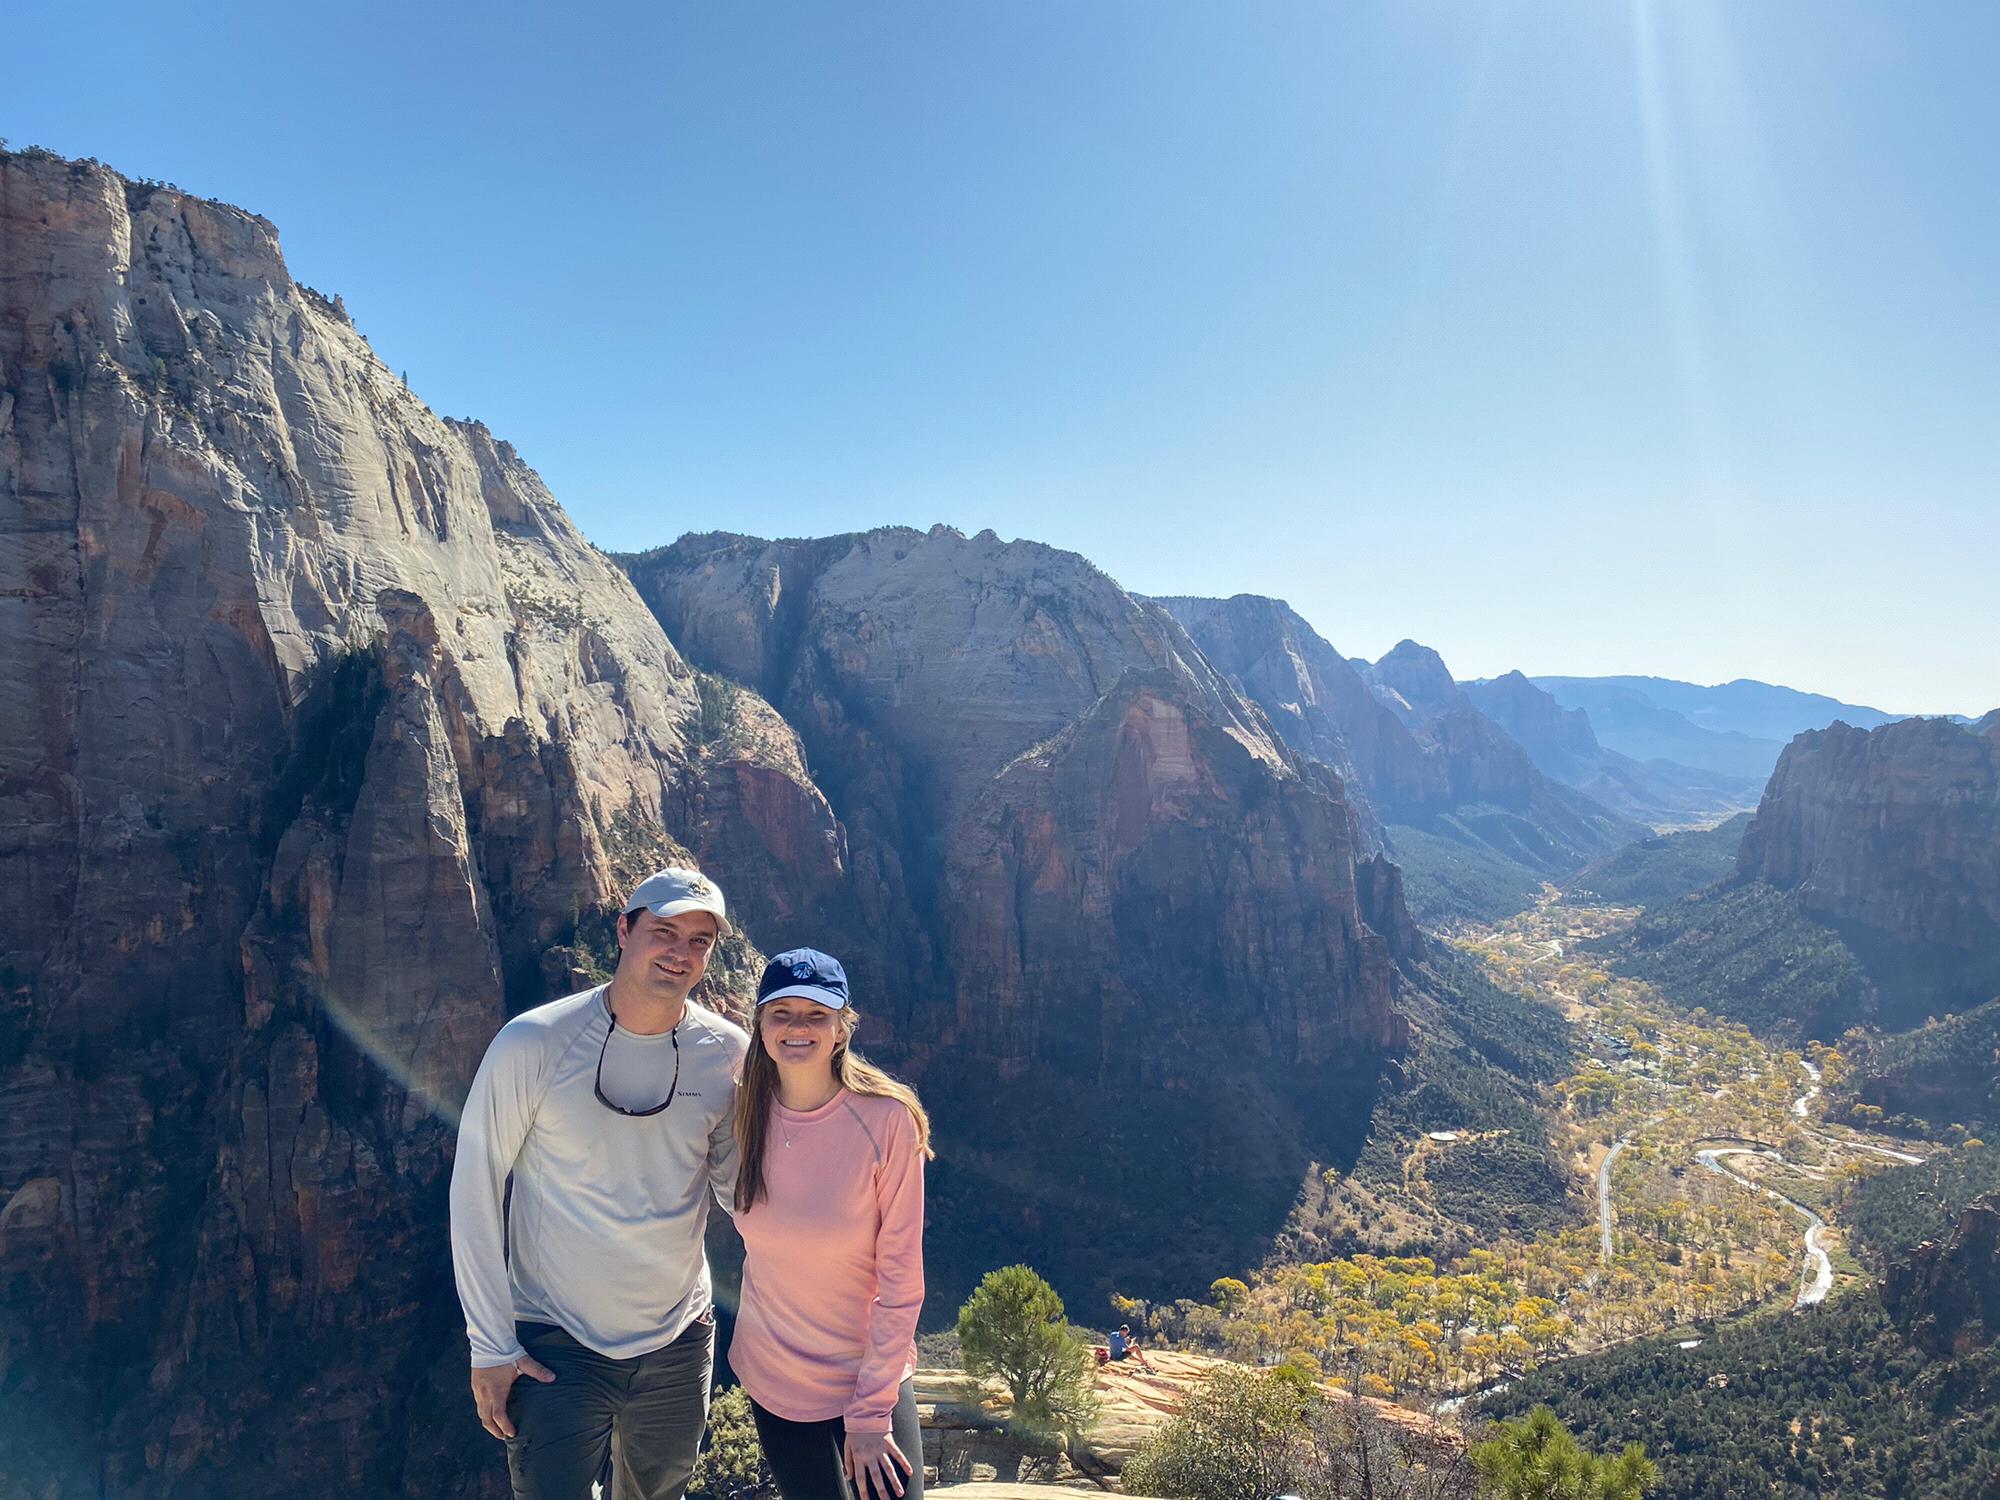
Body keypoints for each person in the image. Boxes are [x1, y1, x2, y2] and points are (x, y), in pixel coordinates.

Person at [449, 868, 746, 1500]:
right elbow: (473, 1190)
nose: (681, 953)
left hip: (678, 1338)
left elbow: (743, 1193)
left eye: (700, 941)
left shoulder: (726, 1055)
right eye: (664, 931)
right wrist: (490, 1345)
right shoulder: (533, 1043)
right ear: (623, 929)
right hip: (556, 1341)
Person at [729, 948, 933, 1500]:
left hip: (866, 1377)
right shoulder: (742, 1109)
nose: (798, 1028)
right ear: (761, 1026)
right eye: (782, 1013)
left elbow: (902, 1281)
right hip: (774, 1380)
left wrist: (869, 1415)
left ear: (842, 1029)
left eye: (816, 1014)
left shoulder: (888, 1120)